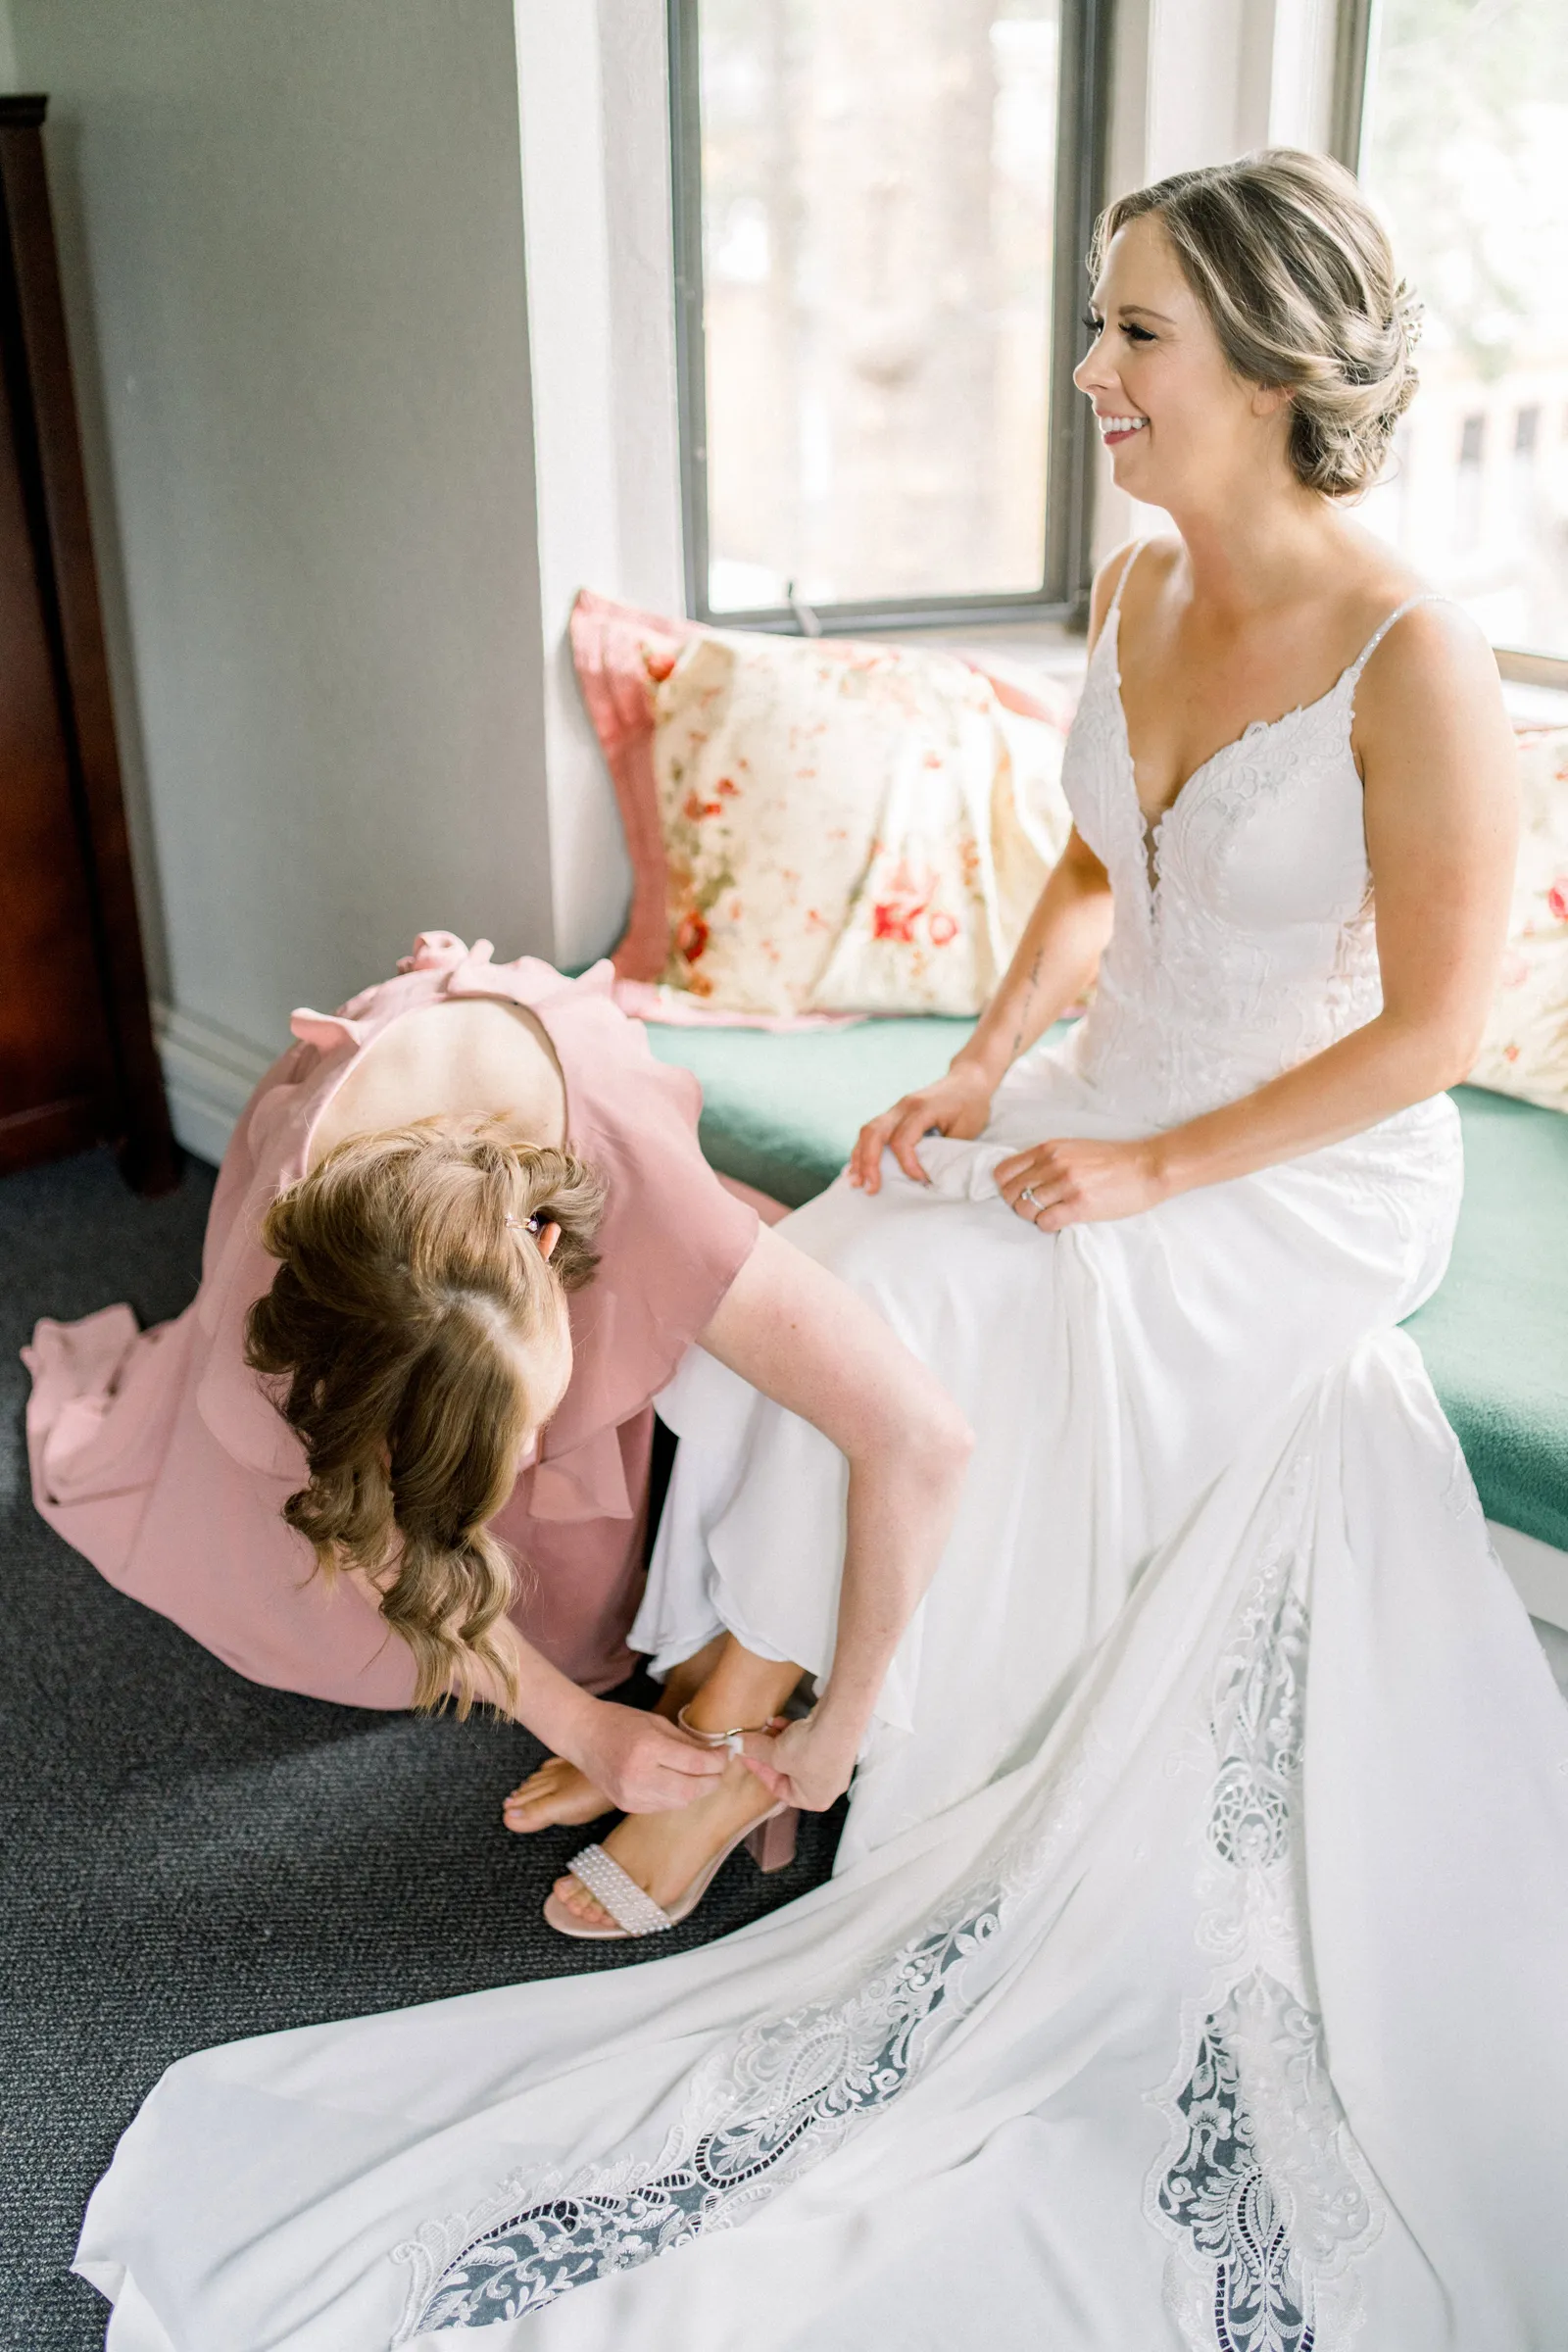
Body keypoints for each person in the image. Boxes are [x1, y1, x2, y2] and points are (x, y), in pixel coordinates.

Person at [75, 154, 1568, 2349]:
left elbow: (1429, 1031)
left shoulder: (1410, 654)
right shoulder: (1139, 582)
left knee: (947, 1298)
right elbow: (1103, 870)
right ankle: (712, 1711)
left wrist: (1152, 1173)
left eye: (1134, 330)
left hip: (1301, 1166)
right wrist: (983, 1066)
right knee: (849, 1248)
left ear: (1266, 366)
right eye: (1100, 319)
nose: (1090, 367)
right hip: (1105, 1094)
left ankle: (733, 1746)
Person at [25, 933, 970, 1883]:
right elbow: (361, 1519)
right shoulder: (296, 1264)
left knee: (859, 1323)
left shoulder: (647, 1195)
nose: (519, 1463)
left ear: (551, 1249)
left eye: (524, 1434)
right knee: (342, 1596)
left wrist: (840, 1725)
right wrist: (580, 1723)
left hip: (581, 1147)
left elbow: (922, 1438)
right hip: (374, 1194)